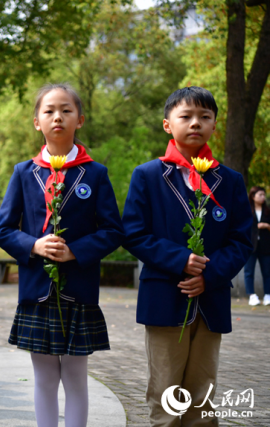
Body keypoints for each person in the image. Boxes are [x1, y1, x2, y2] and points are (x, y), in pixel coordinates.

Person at [0, 83, 124, 427]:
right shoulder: (24, 172)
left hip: (78, 289)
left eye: (66, 110)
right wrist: (34, 246)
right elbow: (3, 229)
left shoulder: (94, 174)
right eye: (49, 111)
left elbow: (113, 230)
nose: (57, 117)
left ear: (80, 119)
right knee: (45, 378)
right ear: (37, 121)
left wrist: (75, 252)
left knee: (76, 377)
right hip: (37, 289)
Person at [122, 86, 253, 426]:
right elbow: (133, 233)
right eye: (186, 116)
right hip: (165, 298)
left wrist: (209, 275)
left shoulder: (230, 181)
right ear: (168, 124)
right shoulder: (148, 176)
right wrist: (179, 259)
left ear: (214, 125)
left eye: (205, 117)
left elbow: (243, 239)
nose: (195, 123)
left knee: (202, 396)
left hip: (210, 301)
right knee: (166, 395)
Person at [244, 186, 270, 306]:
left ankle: (267, 295)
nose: (263, 197)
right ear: (253, 196)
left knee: (267, 272)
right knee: (249, 271)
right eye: (260, 194)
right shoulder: (247, 210)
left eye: (264, 195)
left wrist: (267, 226)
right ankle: (252, 295)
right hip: (251, 245)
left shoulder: (268, 210)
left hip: (265, 245)